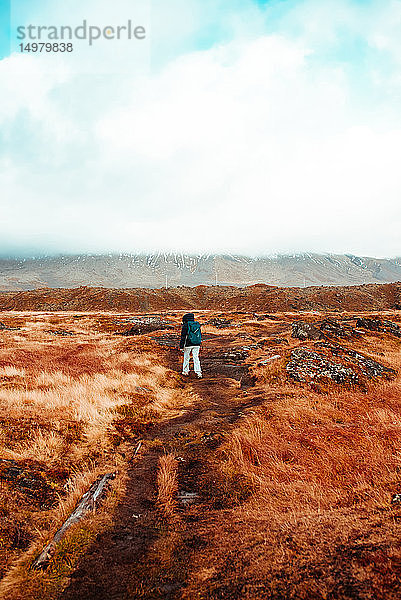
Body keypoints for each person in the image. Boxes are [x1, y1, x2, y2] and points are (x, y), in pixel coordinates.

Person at [179, 313, 202, 378]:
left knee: (186, 357)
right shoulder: (197, 324)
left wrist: (181, 346)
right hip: (197, 344)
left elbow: (183, 337)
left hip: (188, 344)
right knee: (196, 358)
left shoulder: (186, 325)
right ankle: (198, 372)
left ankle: (185, 371)